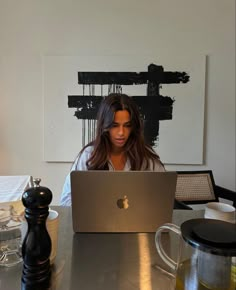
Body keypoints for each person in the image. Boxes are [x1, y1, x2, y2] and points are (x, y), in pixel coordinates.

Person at [61, 93, 165, 206]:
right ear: (104, 126)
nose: (121, 133)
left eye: (127, 125)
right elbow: (66, 201)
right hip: (96, 223)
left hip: (138, 222)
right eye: (114, 125)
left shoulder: (146, 157)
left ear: (134, 127)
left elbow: (164, 197)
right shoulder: (89, 155)